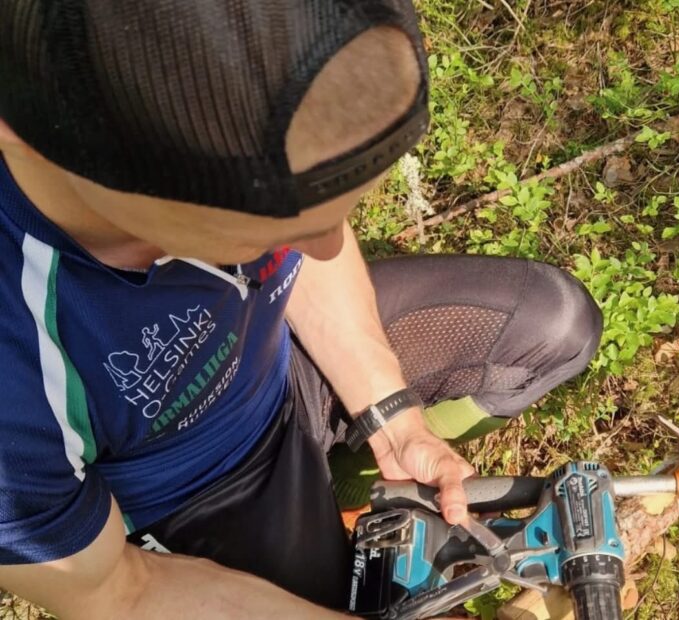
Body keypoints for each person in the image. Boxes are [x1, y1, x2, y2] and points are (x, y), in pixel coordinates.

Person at [0, 1, 603, 618]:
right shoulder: (13, 365)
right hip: (195, 495)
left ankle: (355, 486)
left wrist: (394, 417)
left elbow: (309, 240)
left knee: (554, 325)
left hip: (284, 363)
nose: (331, 247)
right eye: (269, 224)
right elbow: (117, 592)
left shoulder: (205, 144)